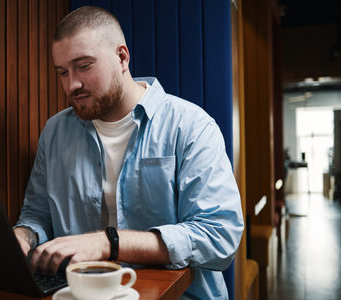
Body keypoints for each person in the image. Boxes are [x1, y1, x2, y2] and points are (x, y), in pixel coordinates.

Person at [13, 6, 244, 299]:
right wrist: (24, 235)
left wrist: (108, 242)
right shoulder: (55, 132)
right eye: (62, 72)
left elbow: (219, 237)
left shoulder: (191, 126)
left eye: (84, 66)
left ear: (122, 57)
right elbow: (38, 213)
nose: (72, 85)